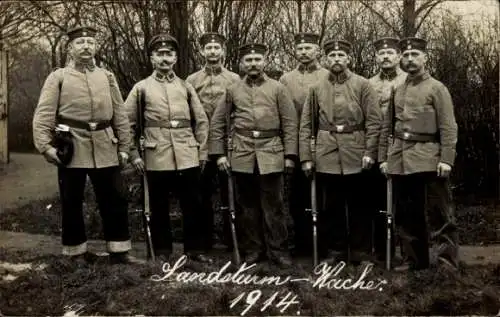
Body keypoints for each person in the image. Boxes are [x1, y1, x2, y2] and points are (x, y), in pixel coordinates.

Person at [32, 26, 142, 264]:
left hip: (105, 145)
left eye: (90, 42)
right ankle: (75, 253)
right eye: (80, 43)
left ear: (96, 47)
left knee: (115, 198)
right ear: (70, 48)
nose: (85, 47)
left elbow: (120, 115)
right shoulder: (58, 77)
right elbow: (43, 116)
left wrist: (124, 146)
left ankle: (120, 251)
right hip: (72, 146)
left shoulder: (107, 77)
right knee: (72, 201)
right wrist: (46, 147)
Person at [124, 33, 212, 264]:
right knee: (157, 205)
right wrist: (133, 154)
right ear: (152, 58)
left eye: (169, 54)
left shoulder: (186, 87)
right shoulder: (141, 88)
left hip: (186, 153)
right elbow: (126, 124)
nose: (165, 58)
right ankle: (161, 251)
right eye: (160, 54)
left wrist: (201, 151)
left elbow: (201, 121)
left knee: (193, 204)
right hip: (156, 154)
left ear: (175, 58)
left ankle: (194, 249)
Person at [209, 43, 298, 268]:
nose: (253, 64)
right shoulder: (233, 90)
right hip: (242, 153)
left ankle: (278, 251)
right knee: (247, 207)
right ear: (241, 64)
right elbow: (218, 123)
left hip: (272, 153)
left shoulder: (278, 89)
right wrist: (219, 155)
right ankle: (254, 250)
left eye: (257, 59)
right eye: (248, 60)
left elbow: (289, 123)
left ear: (265, 61)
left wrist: (290, 155)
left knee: (274, 207)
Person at [379, 37, 459, 271]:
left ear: (425, 58)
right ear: (401, 59)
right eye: (406, 55)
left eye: (415, 55)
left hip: (430, 158)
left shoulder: (437, 88)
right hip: (402, 159)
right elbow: (388, 126)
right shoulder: (398, 89)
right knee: (407, 214)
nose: (410, 59)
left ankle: (446, 262)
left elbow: (448, 126)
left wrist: (446, 159)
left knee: (440, 214)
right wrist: (384, 157)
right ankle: (413, 260)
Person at [299, 39, 381, 265]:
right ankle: (335, 251)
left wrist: (370, 152)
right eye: (332, 57)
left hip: (357, 151)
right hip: (327, 153)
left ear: (349, 59)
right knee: (330, 206)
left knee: (360, 206)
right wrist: (306, 157)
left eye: (341, 56)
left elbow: (374, 122)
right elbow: (307, 124)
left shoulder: (363, 85)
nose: (336, 60)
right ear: (325, 60)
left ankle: (361, 251)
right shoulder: (316, 88)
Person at [186, 32, 240, 252]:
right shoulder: (192, 80)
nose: (213, 52)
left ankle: (233, 240)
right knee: (201, 194)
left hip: (228, 144)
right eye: (208, 48)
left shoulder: (234, 79)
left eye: (217, 48)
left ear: (223, 51)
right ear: (202, 51)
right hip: (201, 145)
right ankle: (204, 242)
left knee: (231, 194)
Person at [279, 32, 329, 257]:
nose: (304, 53)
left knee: (324, 194)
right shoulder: (285, 79)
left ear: (317, 51)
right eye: (300, 49)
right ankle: (301, 243)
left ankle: (325, 243)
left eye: (309, 48)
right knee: (298, 196)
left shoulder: (328, 76)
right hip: (295, 142)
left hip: (324, 143)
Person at [368, 37, 407, 263]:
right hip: (376, 146)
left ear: (398, 57)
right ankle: (381, 250)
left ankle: (403, 249)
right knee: (377, 200)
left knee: (402, 199)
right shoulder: (369, 84)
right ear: (376, 57)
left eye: (390, 53)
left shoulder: (407, 81)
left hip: (401, 145)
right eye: (381, 54)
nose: (385, 57)